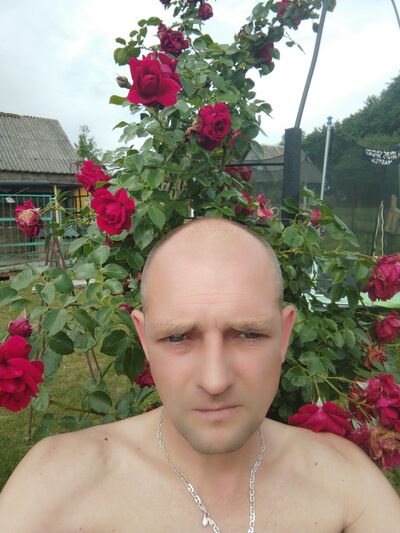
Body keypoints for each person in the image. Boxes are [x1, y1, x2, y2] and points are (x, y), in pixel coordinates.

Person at [0, 217, 399, 532]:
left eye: (248, 334)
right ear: (143, 339)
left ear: (284, 336)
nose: (215, 380)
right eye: (177, 337)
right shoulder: (55, 482)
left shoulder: (345, 482)